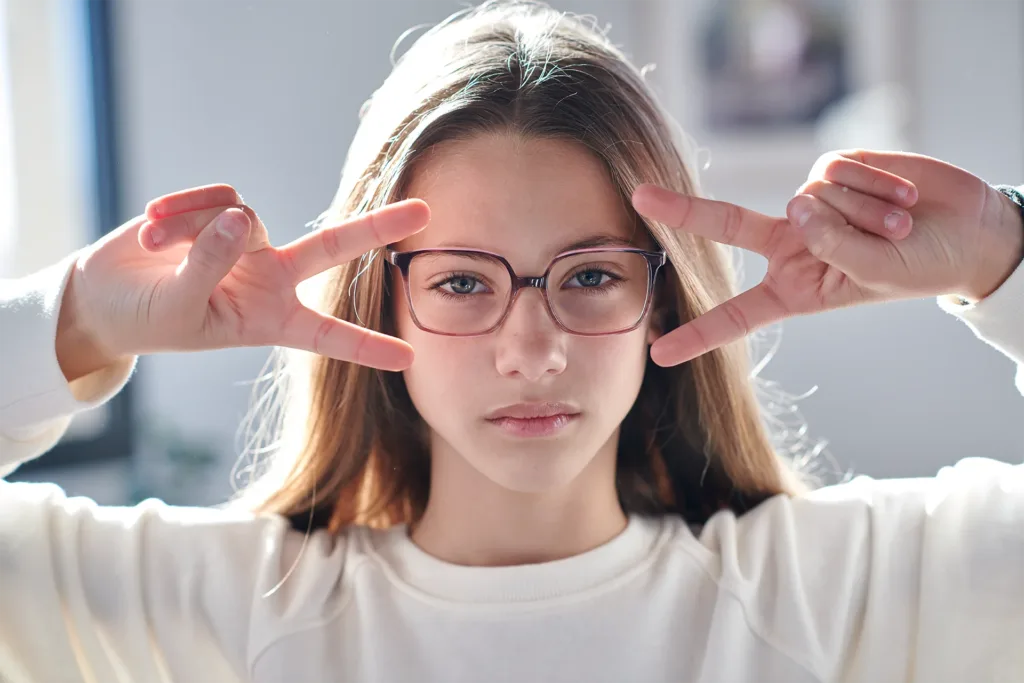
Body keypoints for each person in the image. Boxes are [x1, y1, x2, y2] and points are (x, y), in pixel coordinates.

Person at [1, 1, 1023, 681]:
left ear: (663, 298)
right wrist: (74, 321)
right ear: (379, 304)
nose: (530, 350)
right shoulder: (210, 610)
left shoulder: (851, 586)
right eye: (458, 281)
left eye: (588, 275)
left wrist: (1001, 253)